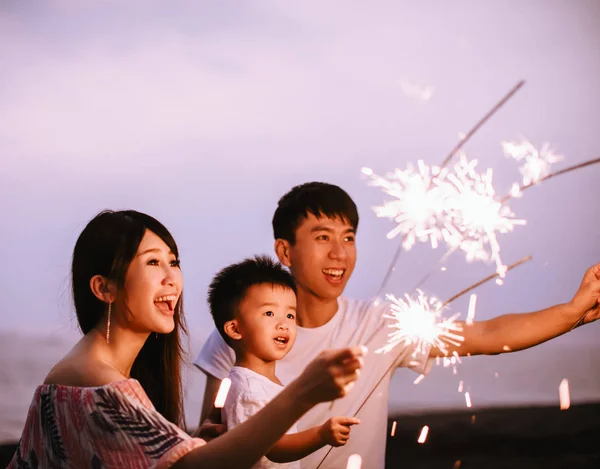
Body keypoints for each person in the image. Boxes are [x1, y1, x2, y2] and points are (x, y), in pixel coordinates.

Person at [195, 182, 600, 469]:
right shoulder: (241, 332)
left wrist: (572, 312)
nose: (340, 253)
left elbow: (485, 335)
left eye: (349, 237)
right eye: (322, 237)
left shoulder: (378, 324)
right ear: (285, 250)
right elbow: (216, 429)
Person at [8, 209, 365, 469]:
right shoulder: (99, 386)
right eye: (152, 263)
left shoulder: (86, 371)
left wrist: (192, 444)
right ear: (105, 288)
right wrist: (303, 393)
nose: (171, 279)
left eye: (173, 262)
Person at [207, 255, 361, 468]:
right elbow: (273, 447)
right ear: (235, 328)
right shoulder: (247, 389)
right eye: (269, 313)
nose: (284, 324)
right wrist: (321, 434)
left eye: (290, 315)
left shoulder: (264, 382)